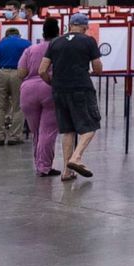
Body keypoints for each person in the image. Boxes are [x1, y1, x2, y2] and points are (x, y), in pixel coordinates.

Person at [39, 12, 103, 180]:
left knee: (68, 130)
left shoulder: (55, 42)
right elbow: (97, 67)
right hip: (81, 88)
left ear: (69, 25)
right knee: (90, 126)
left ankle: (67, 171)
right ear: (84, 27)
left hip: (59, 90)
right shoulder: (88, 41)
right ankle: (76, 157)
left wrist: (53, 83)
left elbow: (42, 70)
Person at [19, 18, 62, 176]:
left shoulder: (31, 49)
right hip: (50, 88)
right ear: (58, 32)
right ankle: (44, 166)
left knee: (36, 131)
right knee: (48, 131)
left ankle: (39, 163)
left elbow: (21, 72)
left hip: (28, 90)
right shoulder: (59, 48)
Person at [0, 25, 31, 146]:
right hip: (19, 74)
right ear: (19, 35)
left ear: (6, 35)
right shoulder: (26, 43)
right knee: (19, 106)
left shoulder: (0, 43)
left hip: (1, 72)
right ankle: (14, 136)